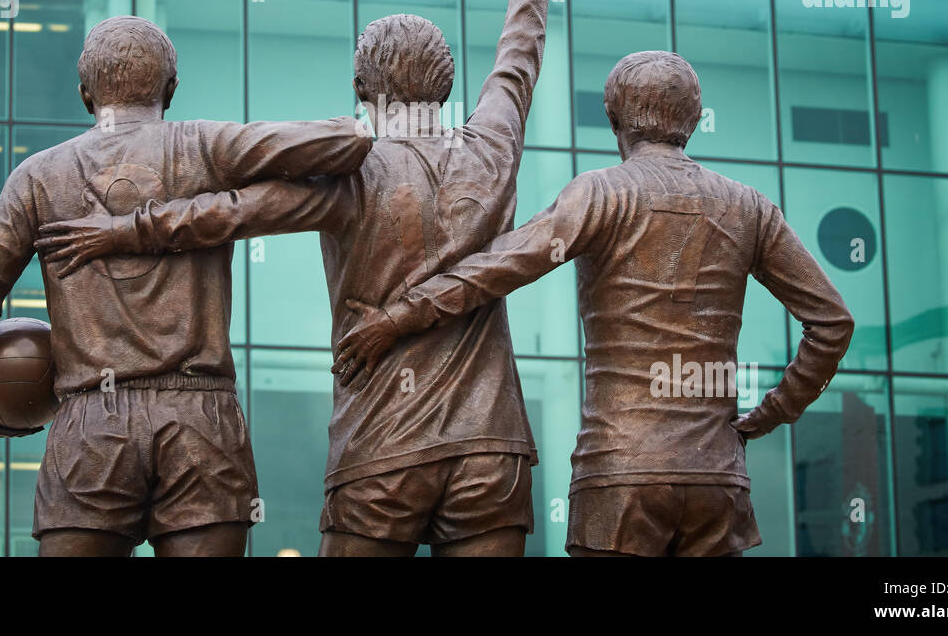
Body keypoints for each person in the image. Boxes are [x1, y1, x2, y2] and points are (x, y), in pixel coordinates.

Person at [35, 0, 553, 556]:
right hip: (493, 449)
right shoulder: (493, 146)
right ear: (448, 83)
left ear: (361, 87)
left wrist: (122, 229)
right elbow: (521, 46)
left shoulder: (354, 169)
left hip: (381, 449)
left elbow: (228, 215)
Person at [334, 50, 855, 556]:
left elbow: (496, 268)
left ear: (612, 118)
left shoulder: (602, 194)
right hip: (717, 479)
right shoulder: (750, 208)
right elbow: (833, 324)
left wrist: (400, 315)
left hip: (619, 475)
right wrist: (768, 414)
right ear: (694, 119)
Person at [0, 16, 371, 557]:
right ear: (170, 90)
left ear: (85, 96)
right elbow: (347, 141)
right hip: (201, 420)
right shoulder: (206, 147)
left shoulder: (38, 177)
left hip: (92, 424)